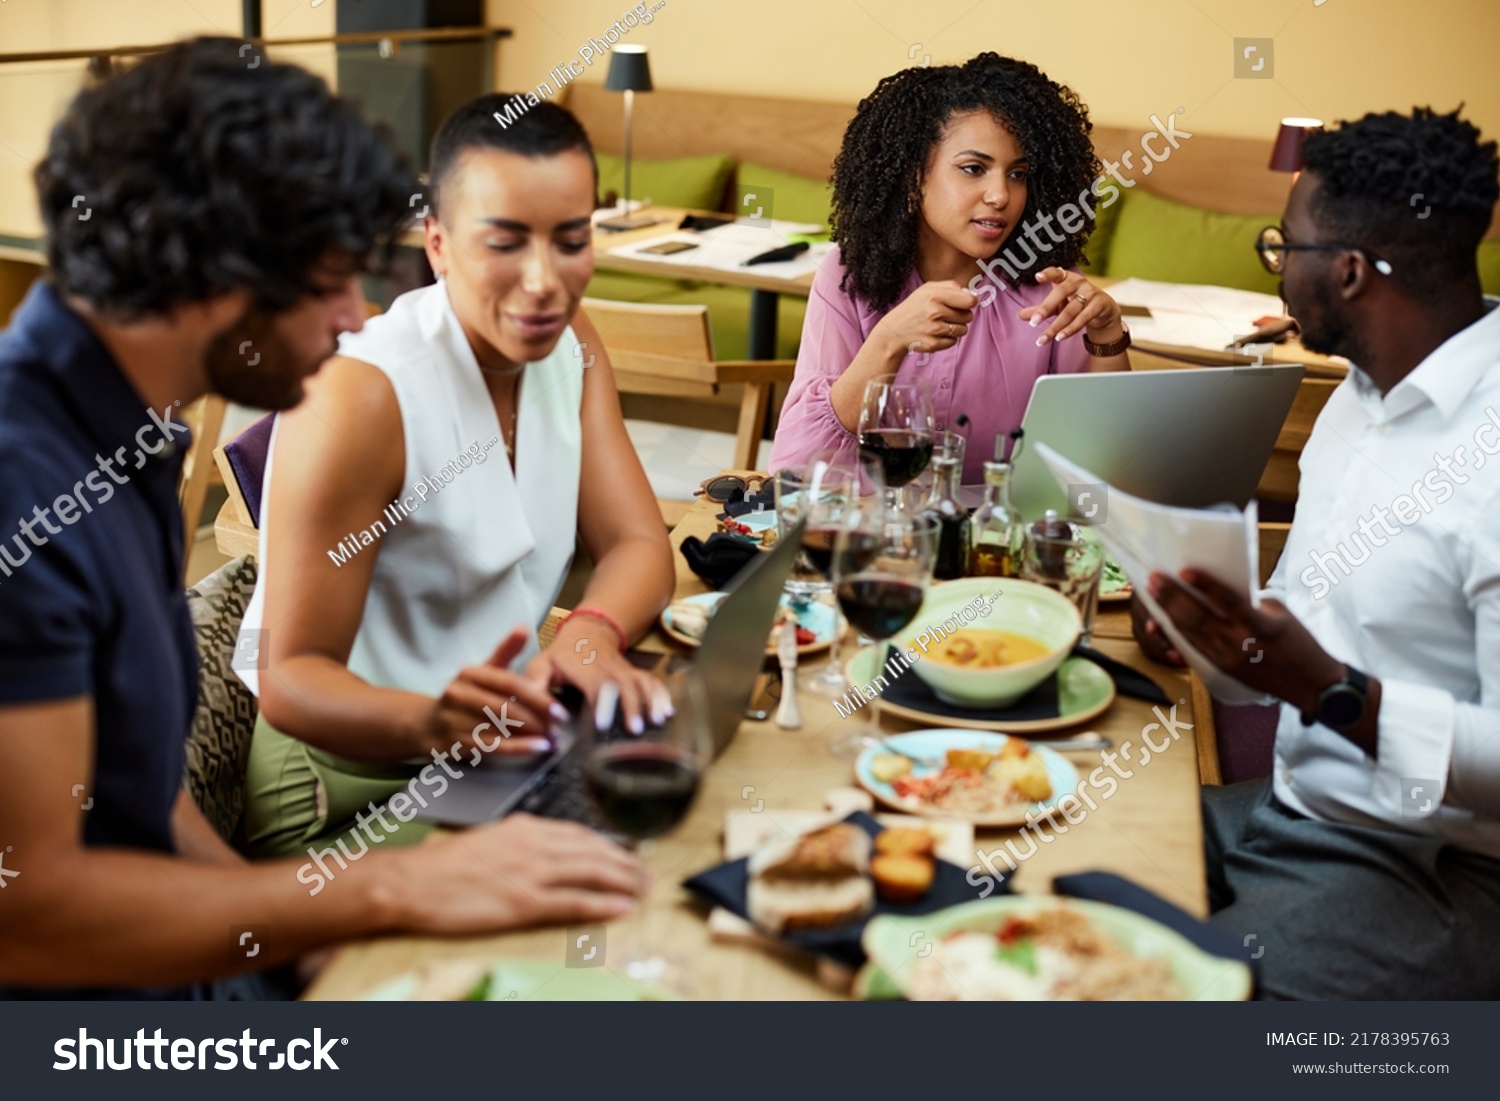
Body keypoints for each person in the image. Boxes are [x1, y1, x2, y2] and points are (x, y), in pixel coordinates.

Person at [0, 39, 645, 1001]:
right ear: (222, 266)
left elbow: (135, 798)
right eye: (332, 278)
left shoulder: (129, 441)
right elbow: (27, 919)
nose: (356, 317)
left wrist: (300, 943)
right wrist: (385, 886)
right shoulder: (26, 489)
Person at [236, 95, 676, 859]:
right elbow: (291, 677)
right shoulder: (362, 395)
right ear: (437, 244)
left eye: (570, 241)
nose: (544, 281)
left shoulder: (570, 340)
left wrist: (588, 637)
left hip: (491, 754)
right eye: (505, 242)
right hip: (344, 791)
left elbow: (638, 540)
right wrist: (433, 724)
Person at [1133, 107, 1500, 999]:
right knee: (1045, 869)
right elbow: (1292, 637)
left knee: (1157, 1007)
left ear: (1346, 270)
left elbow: (1322, 679)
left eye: (1281, 248)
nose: (1275, 269)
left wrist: (1333, 693)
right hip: (1291, 808)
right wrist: (1208, 634)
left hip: (1430, 868)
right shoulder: (1358, 400)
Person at [769, 53, 1131, 484]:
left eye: (1018, 174)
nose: (1000, 195)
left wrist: (1106, 336)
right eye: (973, 169)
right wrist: (887, 341)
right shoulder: (849, 275)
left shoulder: (1050, 288)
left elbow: (1107, 468)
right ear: (912, 176)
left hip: (1000, 537)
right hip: (876, 531)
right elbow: (800, 468)